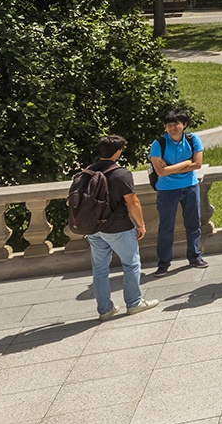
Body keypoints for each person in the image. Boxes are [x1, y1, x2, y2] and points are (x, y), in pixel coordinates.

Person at [80, 137, 156, 319]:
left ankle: (105, 309)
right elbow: (133, 202)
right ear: (117, 152)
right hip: (118, 227)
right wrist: (140, 225)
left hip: (94, 227)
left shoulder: (88, 171)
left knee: (99, 269)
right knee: (131, 264)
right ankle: (134, 302)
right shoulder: (121, 174)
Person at [146, 109, 207, 273]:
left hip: (190, 186)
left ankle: (195, 257)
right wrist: (186, 164)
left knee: (194, 223)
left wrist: (171, 168)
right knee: (166, 227)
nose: (172, 128)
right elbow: (160, 172)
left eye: (176, 124)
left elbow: (197, 164)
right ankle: (163, 263)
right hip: (166, 190)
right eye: (169, 125)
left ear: (184, 125)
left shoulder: (193, 139)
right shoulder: (158, 143)